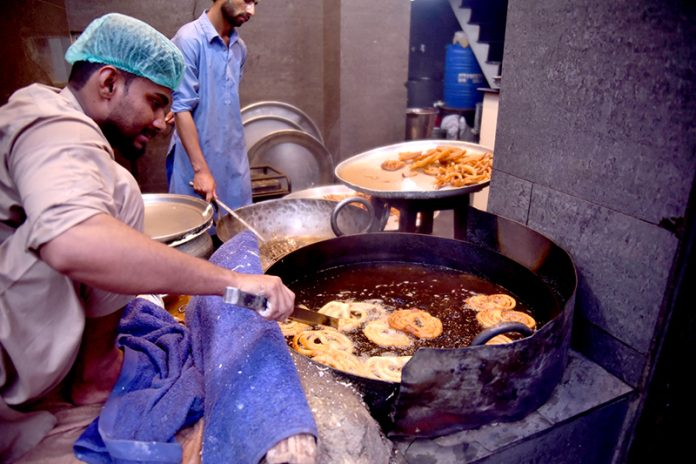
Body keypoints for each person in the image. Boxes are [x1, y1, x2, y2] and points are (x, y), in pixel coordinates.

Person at [0, 12, 314, 463]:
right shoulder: (49, 123)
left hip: (32, 358)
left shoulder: (87, 148)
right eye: (155, 101)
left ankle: (96, 370)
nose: (165, 120)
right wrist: (234, 282)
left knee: (123, 191)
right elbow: (71, 241)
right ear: (108, 84)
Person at [166, 0, 256, 209]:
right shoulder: (189, 39)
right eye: (248, 1)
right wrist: (200, 171)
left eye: (256, 3)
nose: (252, 11)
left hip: (234, 162)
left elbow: (222, 100)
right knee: (198, 233)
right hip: (197, 162)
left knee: (237, 232)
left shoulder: (239, 48)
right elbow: (182, 108)